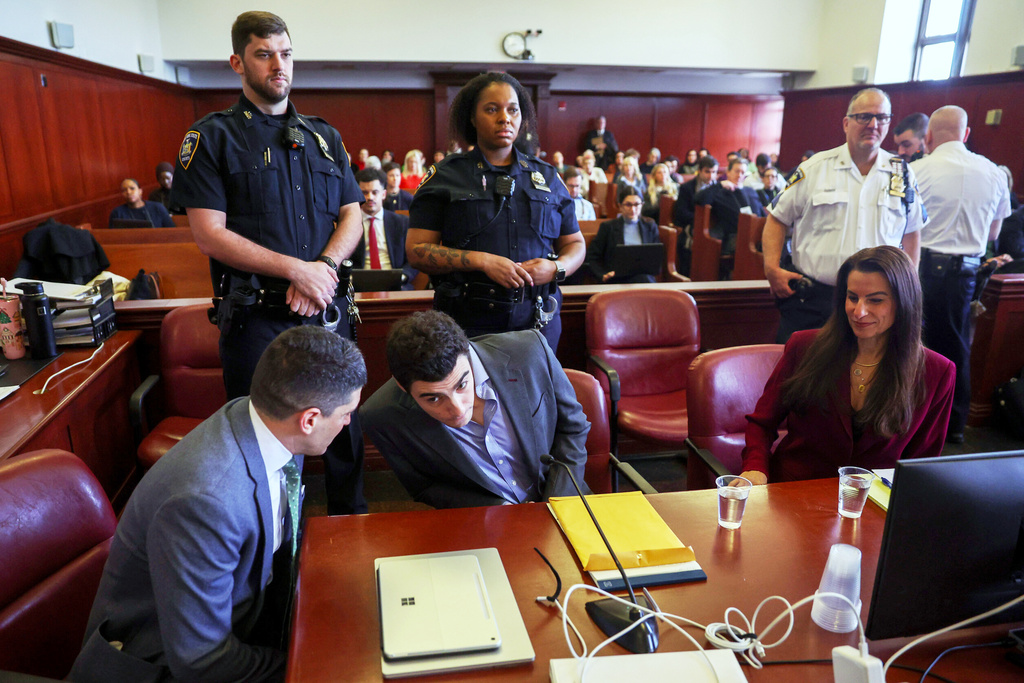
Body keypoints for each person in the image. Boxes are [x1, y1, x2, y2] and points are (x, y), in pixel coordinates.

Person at [70, 326, 366, 682]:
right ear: (310, 420)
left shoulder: (270, 421)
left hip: (246, 615)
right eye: (347, 413)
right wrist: (308, 668)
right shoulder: (206, 502)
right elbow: (202, 661)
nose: (348, 421)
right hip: (160, 665)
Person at [168, 11, 367, 515]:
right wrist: (292, 270)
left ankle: (353, 527)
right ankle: (274, 559)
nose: (278, 65)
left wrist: (318, 267)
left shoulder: (325, 136)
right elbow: (209, 234)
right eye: (263, 54)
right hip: (257, 319)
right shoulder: (212, 137)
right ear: (238, 62)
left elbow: (353, 216)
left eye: (285, 53)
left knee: (344, 431)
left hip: (325, 308)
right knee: (265, 446)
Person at [739, 246, 955, 485]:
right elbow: (762, 423)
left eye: (875, 300)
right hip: (793, 491)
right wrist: (755, 468)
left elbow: (920, 462)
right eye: (852, 297)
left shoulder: (938, 371)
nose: (859, 311)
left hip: (869, 504)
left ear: (904, 302)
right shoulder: (804, 346)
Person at [407, 71, 585, 351]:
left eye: (513, 110)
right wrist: (482, 261)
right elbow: (416, 249)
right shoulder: (445, 176)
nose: (505, 118)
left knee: (535, 395)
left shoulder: (547, 176)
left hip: (539, 320)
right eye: (492, 109)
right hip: (468, 322)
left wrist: (555, 268)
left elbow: (575, 243)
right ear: (472, 117)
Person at [361, 310, 589, 509]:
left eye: (461, 385)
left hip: (567, 499)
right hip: (481, 522)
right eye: (433, 399)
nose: (457, 409)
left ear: (468, 354)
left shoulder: (530, 351)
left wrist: (554, 503)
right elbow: (424, 486)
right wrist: (499, 510)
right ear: (403, 387)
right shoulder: (381, 417)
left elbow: (573, 428)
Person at [762, 87, 925, 343]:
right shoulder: (815, 168)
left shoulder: (902, 174)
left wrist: (909, 282)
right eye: (864, 117)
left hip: (876, 303)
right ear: (846, 123)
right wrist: (771, 268)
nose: (873, 124)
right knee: (799, 376)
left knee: (864, 376)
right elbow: (776, 218)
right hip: (815, 300)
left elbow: (913, 231)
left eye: (881, 118)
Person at [911, 105, 1011, 442]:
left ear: (928, 136)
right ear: (966, 134)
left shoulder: (917, 170)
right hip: (966, 273)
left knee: (913, 344)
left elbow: (902, 226)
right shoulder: (995, 173)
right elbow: (994, 234)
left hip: (921, 266)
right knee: (956, 348)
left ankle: (911, 422)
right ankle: (953, 426)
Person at [352, 168, 418, 289]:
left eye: (375, 192)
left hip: (396, 285)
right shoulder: (349, 224)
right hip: (359, 286)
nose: (369, 197)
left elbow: (413, 259)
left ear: (383, 194)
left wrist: (403, 277)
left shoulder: (401, 222)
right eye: (364, 193)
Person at [586, 187, 660, 284]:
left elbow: (655, 257)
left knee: (645, 280)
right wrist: (602, 275)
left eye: (637, 204)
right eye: (628, 205)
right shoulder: (608, 227)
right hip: (616, 278)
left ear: (642, 205)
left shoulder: (650, 226)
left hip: (643, 277)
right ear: (620, 206)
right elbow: (592, 257)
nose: (633, 209)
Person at [694, 157, 765, 255]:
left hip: (756, 235)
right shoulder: (719, 192)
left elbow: (762, 215)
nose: (740, 175)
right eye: (737, 171)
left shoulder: (751, 191)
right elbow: (699, 200)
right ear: (728, 172)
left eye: (743, 172)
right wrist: (719, 185)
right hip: (733, 236)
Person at [673, 155, 719, 276]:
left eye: (714, 172)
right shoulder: (687, 188)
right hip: (691, 226)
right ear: (700, 170)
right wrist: (700, 220)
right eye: (707, 172)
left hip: (714, 228)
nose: (711, 176)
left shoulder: (719, 188)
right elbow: (681, 213)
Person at [109, 178, 175, 228]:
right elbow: (114, 236)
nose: (128, 192)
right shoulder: (117, 213)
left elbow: (172, 231)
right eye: (124, 190)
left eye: (132, 188)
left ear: (140, 191)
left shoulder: (157, 207)